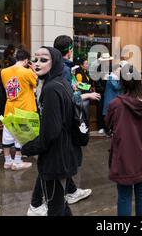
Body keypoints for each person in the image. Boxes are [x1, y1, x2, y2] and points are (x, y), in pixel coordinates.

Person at [22, 47, 79, 216]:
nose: (37, 64)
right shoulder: (58, 83)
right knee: (60, 205)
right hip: (62, 154)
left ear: (55, 63)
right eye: (36, 59)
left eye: (44, 60)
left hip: (56, 158)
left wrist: (28, 148)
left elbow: (51, 131)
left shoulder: (52, 88)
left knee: (55, 207)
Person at [105, 65, 142, 216]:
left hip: (122, 158)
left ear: (121, 83)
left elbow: (108, 125)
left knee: (124, 196)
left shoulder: (115, 105)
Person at [50, 35, 93, 209]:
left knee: (60, 158)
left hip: (56, 117)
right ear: (69, 49)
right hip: (65, 120)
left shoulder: (54, 66)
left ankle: (71, 190)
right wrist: (84, 94)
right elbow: (67, 97)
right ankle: (46, 201)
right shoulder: (64, 69)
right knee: (66, 157)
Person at [0, 49, 36, 170]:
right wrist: (34, 69)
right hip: (24, 107)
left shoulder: (4, 72)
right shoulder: (27, 72)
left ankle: (7, 161)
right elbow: (36, 83)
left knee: (7, 136)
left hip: (9, 107)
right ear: (26, 60)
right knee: (21, 137)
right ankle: (17, 161)